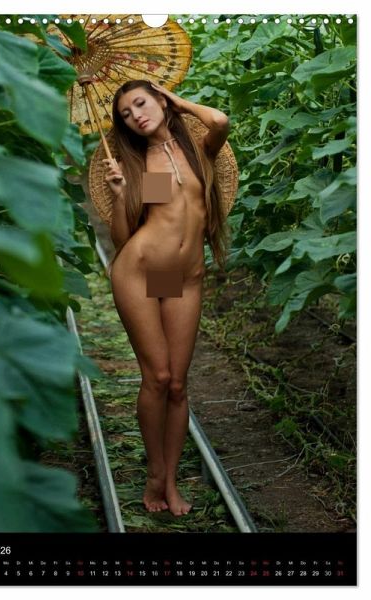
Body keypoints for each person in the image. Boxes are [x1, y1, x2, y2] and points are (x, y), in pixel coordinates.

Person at [102, 79, 230, 516]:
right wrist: (121, 195)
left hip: (183, 276)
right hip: (141, 270)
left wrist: (178, 102)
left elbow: (220, 121)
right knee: (157, 376)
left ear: (160, 99)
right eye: (126, 114)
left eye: (141, 103)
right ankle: (155, 474)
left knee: (177, 383)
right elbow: (126, 237)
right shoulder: (140, 164)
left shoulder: (198, 150)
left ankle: (170, 480)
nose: (135, 115)